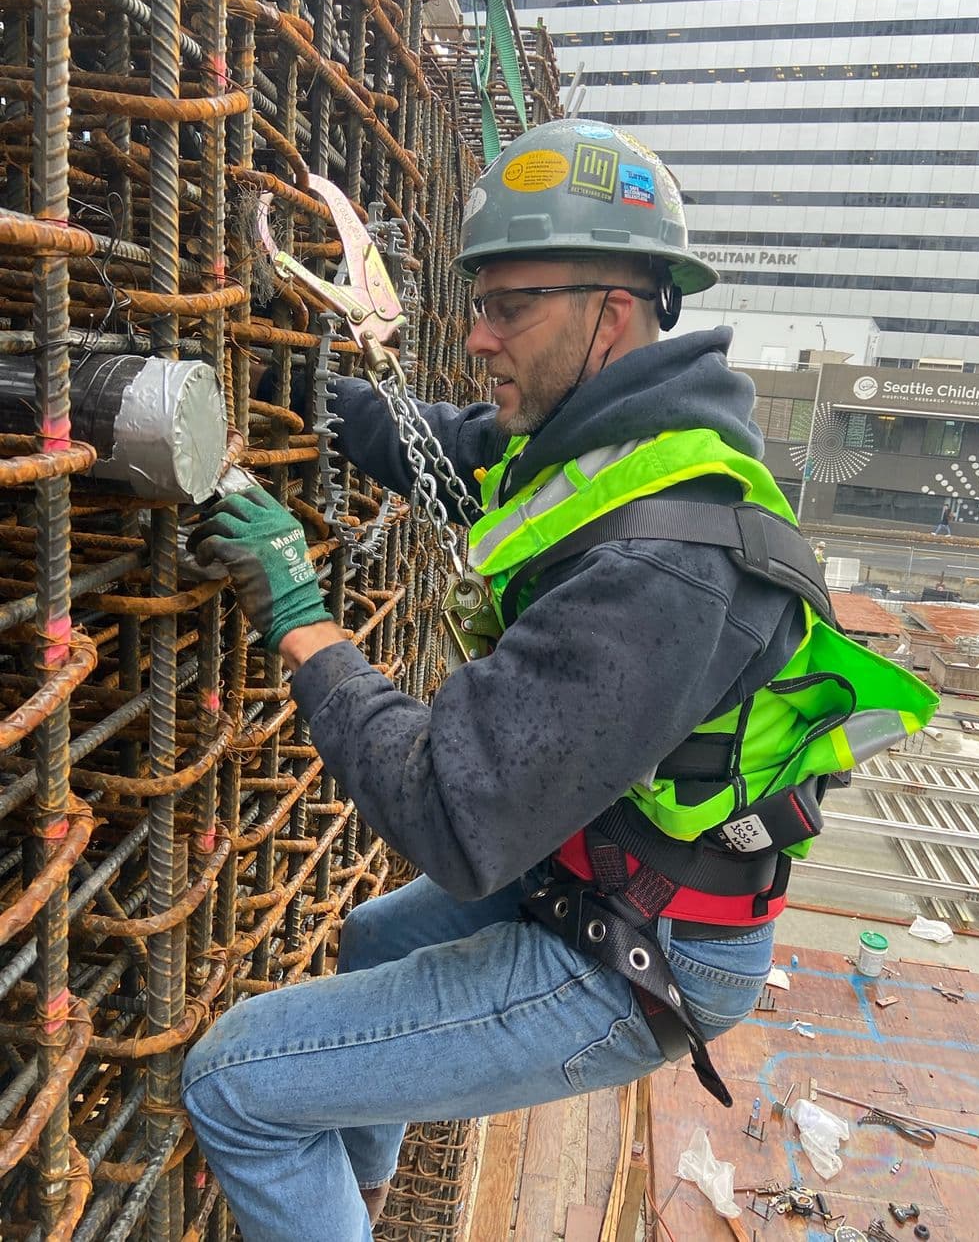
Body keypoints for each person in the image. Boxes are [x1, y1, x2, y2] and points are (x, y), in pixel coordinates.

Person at [180, 119, 937, 1242]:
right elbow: (447, 452)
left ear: (611, 312)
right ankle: (362, 1206)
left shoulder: (666, 570)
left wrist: (298, 614)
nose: (477, 336)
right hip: (602, 858)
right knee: (376, 941)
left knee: (233, 1084)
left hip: (647, 944)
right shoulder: (622, 439)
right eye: (479, 300)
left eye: (509, 307)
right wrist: (308, 387)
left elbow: (449, 810)